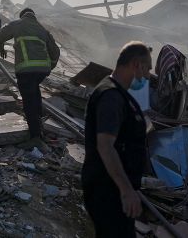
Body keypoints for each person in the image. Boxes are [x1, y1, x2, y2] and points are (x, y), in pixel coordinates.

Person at [81, 41, 153, 238]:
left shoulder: (118, 94)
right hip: (107, 190)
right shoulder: (111, 96)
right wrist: (126, 190)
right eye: (147, 69)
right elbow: (105, 146)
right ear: (136, 64)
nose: (147, 76)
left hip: (112, 189)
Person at [0, 7, 60, 148]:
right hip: (41, 71)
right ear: (34, 17)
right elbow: (55, 52)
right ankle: (39, 128)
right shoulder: (43, 30)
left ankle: (35, 137)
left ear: (22, 16)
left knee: (29, 102)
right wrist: (49, 67)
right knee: (35, 96)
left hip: (26, 70)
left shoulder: (17, 24)